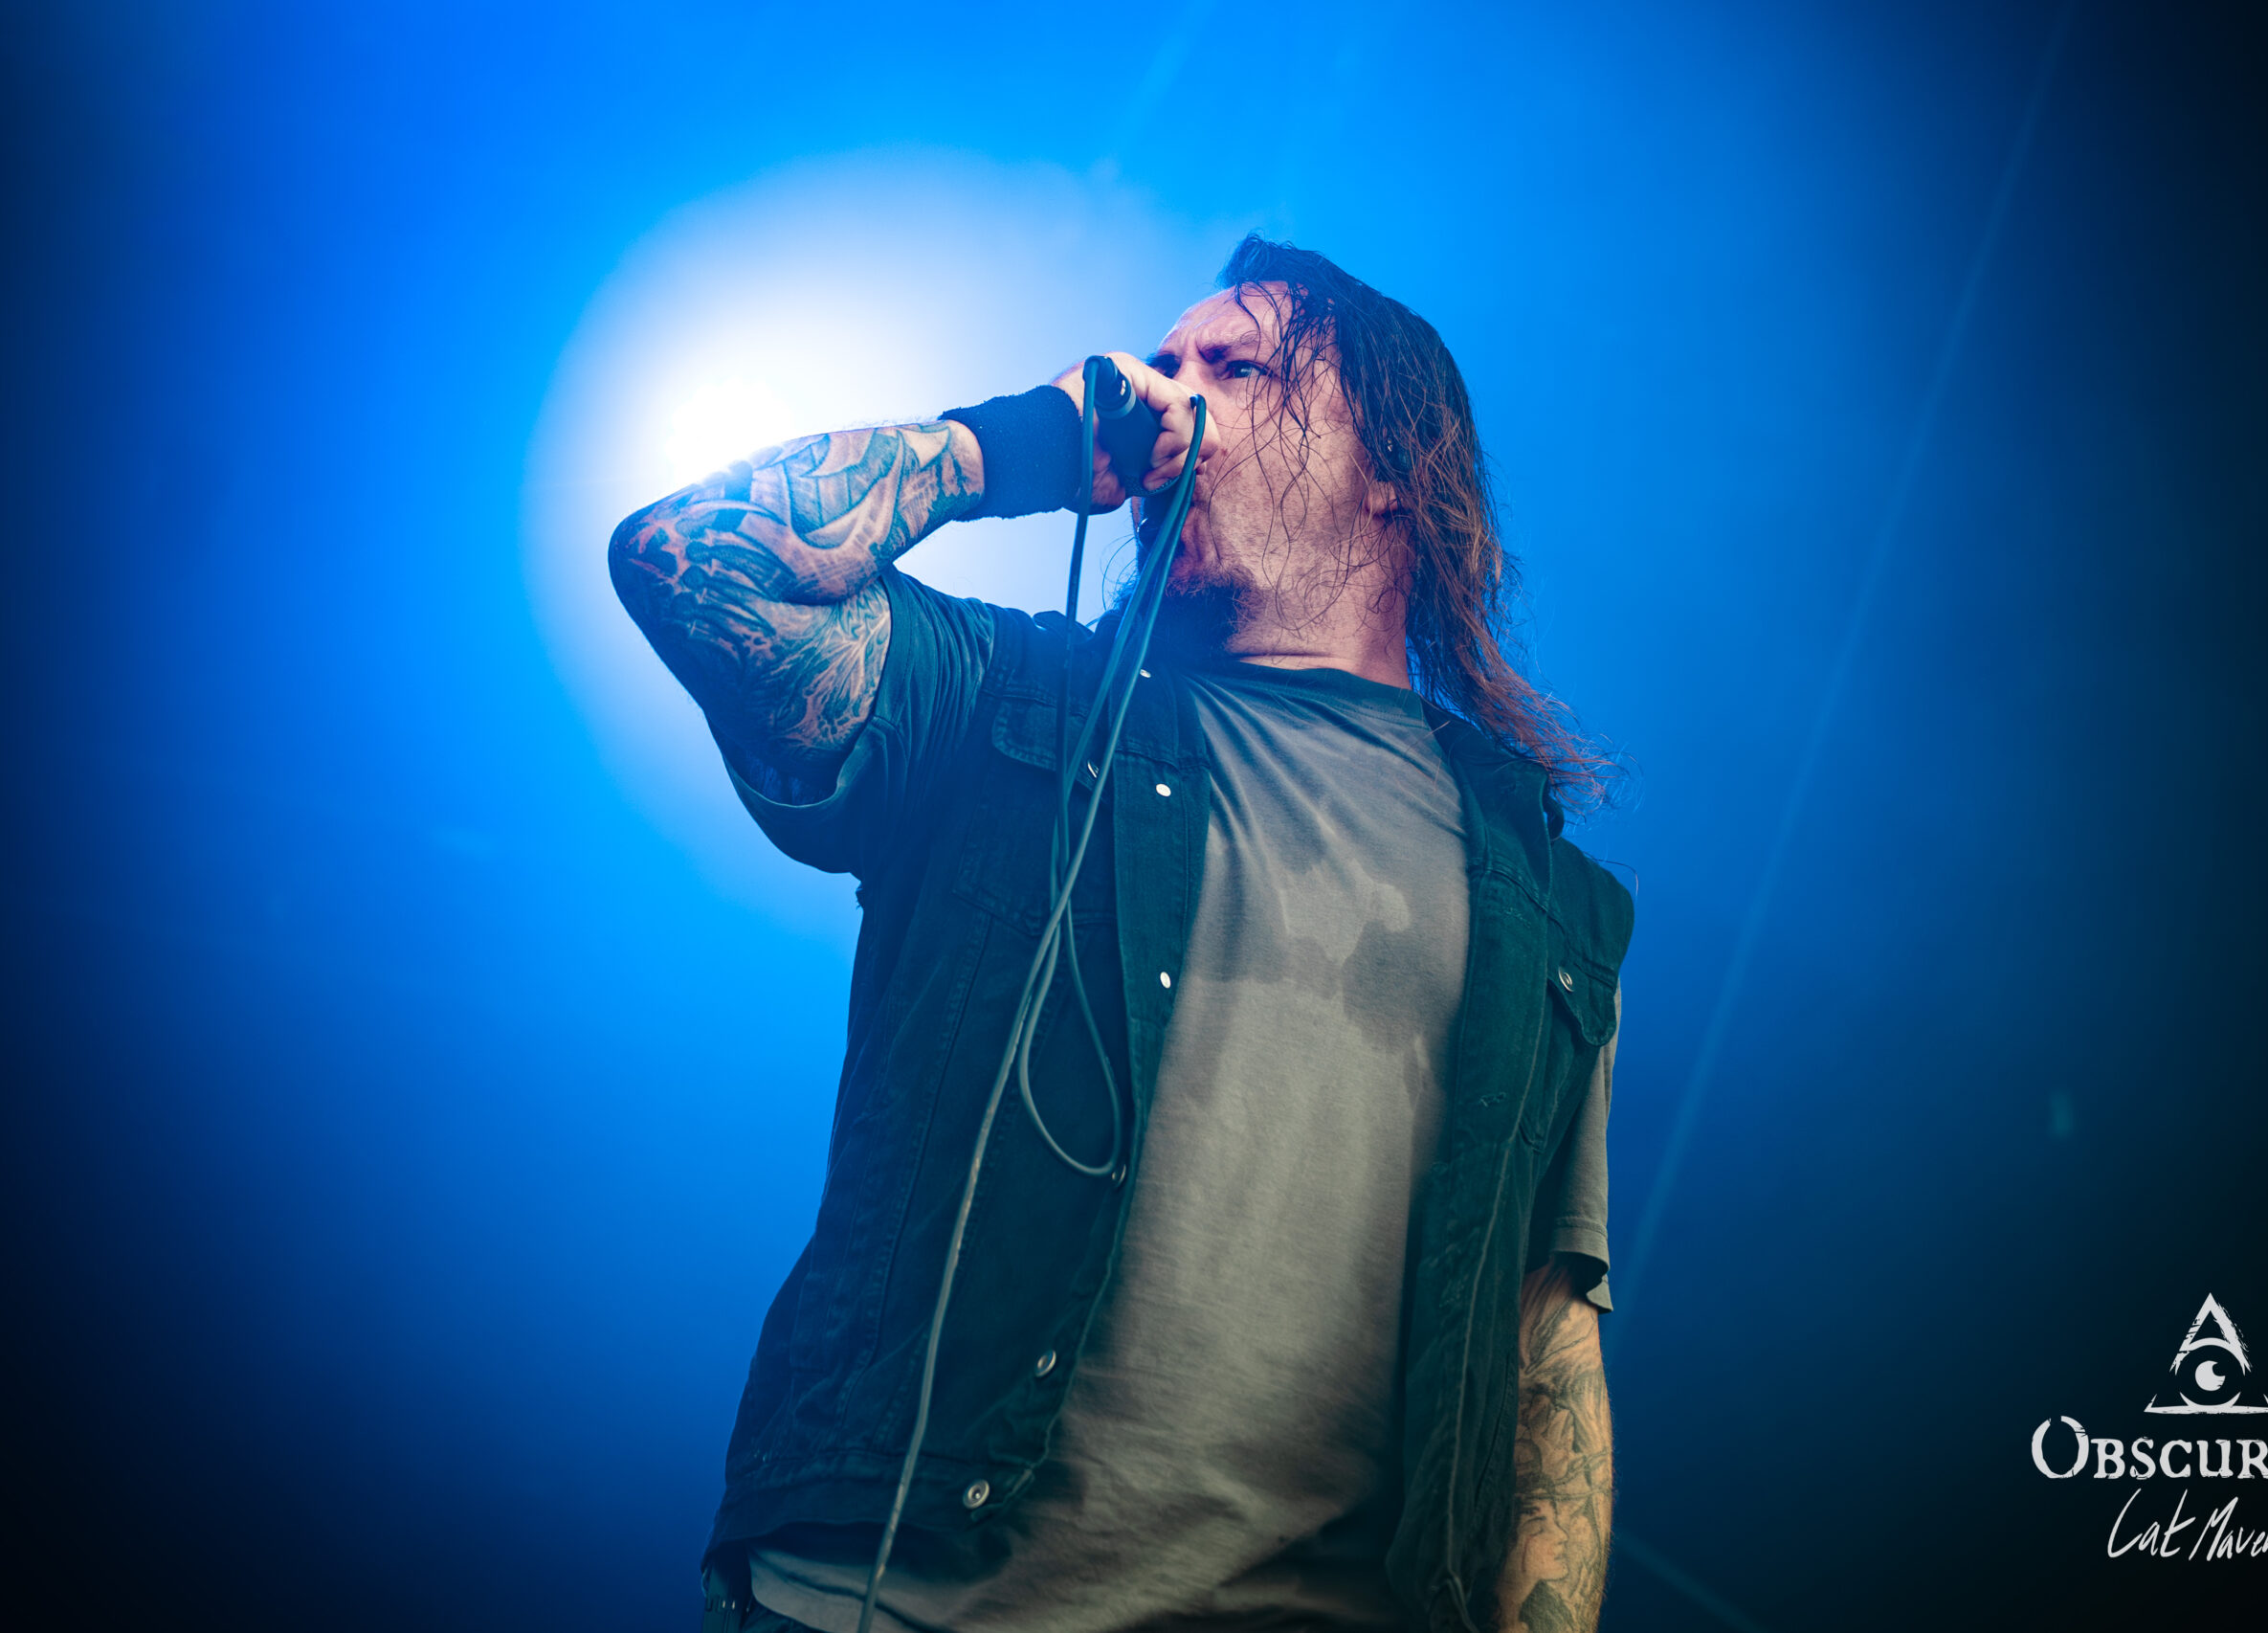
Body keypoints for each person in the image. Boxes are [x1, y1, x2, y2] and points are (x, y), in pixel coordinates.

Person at [610, 235, 1632, 1633]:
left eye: (1237, 367)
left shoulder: (1542, 897)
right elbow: (686, 562)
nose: (1169, 393)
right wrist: (1018, 445)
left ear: (1395, 466)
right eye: (1164, 361)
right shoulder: (1007, 703)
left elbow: (1546, 1340)